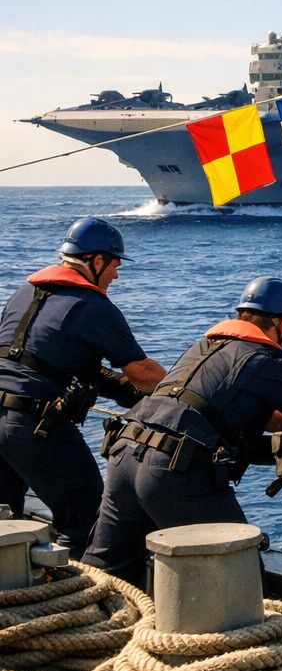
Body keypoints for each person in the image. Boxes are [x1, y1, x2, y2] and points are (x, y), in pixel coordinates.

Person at [83, 277, 282, 584]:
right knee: (240, 573)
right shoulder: (270, 362)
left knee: (107, 572)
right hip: (172, 470)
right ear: (281, 323)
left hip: (124, 454)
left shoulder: (202, 348)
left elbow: (212, 408)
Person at [0, 218, 166, 557]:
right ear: (96, 260)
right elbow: (144, 373)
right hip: (33, 425)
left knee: (5, 517)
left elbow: (47, 361)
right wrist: (180, 395)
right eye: (115, 265)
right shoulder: (92, 306)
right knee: (88, 519)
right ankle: (81, 596)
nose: (116, 275)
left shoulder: (24, 293)